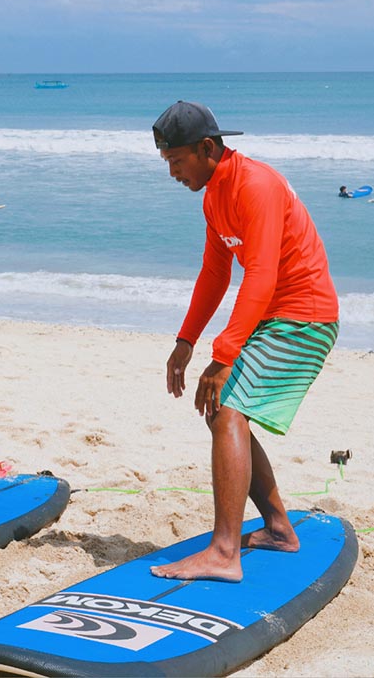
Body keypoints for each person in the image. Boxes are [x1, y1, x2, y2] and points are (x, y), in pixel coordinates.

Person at [152, 101, 340, 582]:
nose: (172, 172)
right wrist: (186, 339)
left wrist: (224, 355)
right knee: (223, 410)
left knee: (229, 408)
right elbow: (215, 273)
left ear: (207, 148)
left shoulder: (255, 185)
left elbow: (260, 273)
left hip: (305, 316)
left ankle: (224, 552)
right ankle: (278, 528)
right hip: (275, 315)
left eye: (176, 161)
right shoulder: (214, 196)